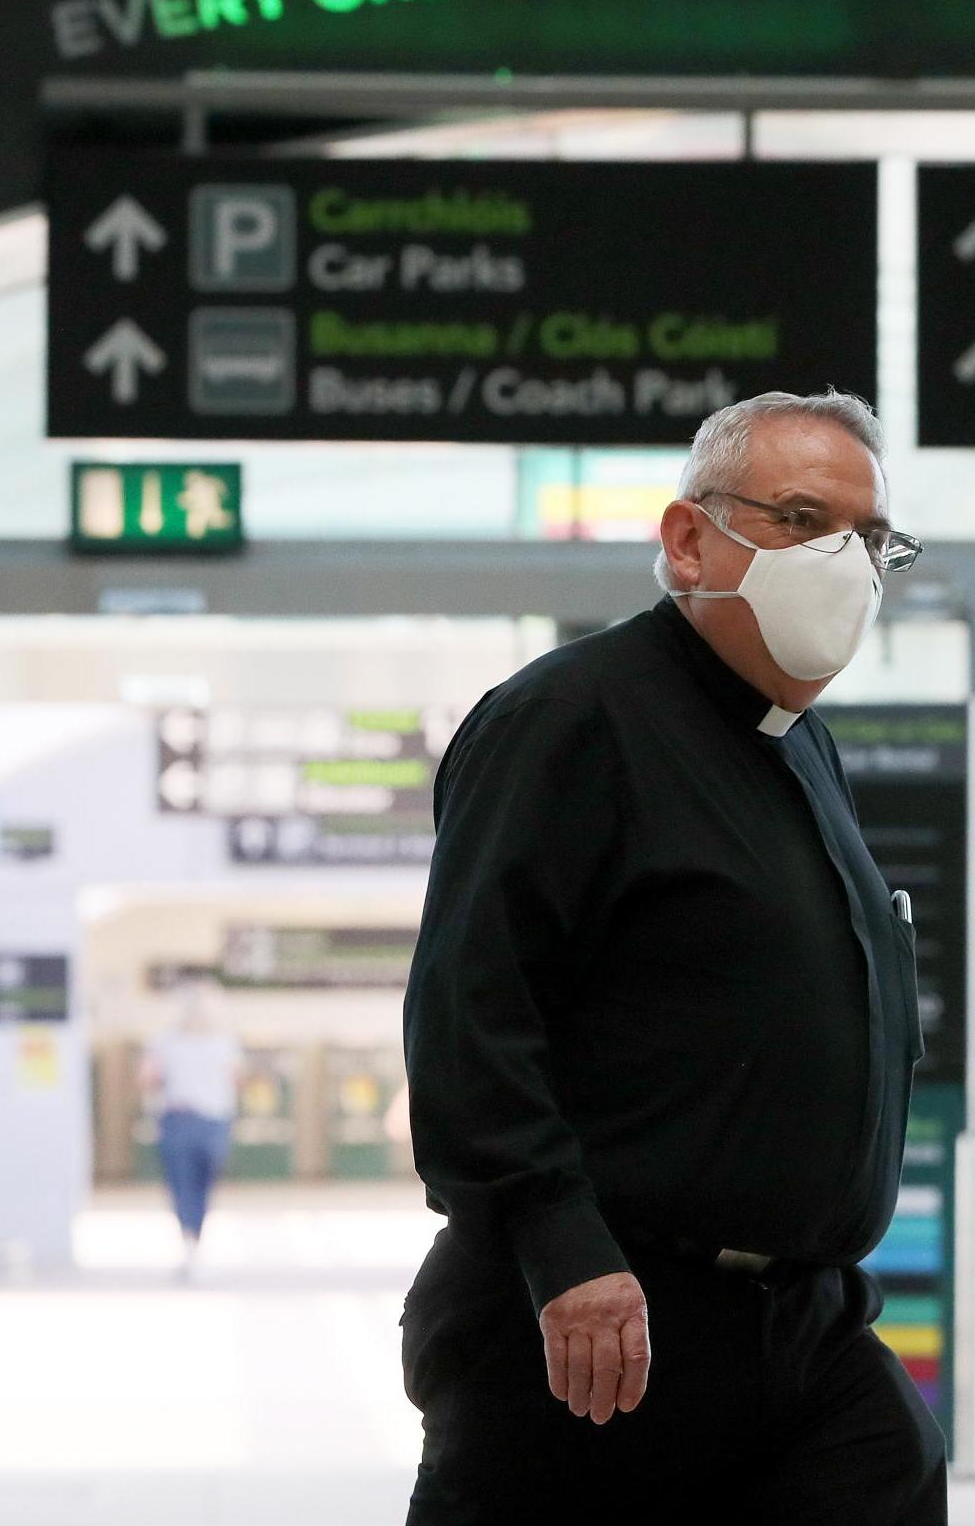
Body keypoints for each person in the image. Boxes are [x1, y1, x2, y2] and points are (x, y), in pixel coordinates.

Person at [399, 389, 942, 1522]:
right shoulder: (571, 721)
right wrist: (562, 1244)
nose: (845, 561)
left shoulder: (799, 747)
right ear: (689, 540)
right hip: (606, 1325)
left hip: (805, 1328)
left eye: (869, 536)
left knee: (891, 1462)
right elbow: (472, 1007)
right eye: (800, 519)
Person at [138, 977, 244, 1282]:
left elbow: (147, 1078)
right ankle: (195, 1241)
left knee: (181, 1185)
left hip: (178, 1119)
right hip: (214, 1122)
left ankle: (188, 1242)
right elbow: (237, 1079)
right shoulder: (225, 1042)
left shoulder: (164, 1040)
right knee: (203, 1186)